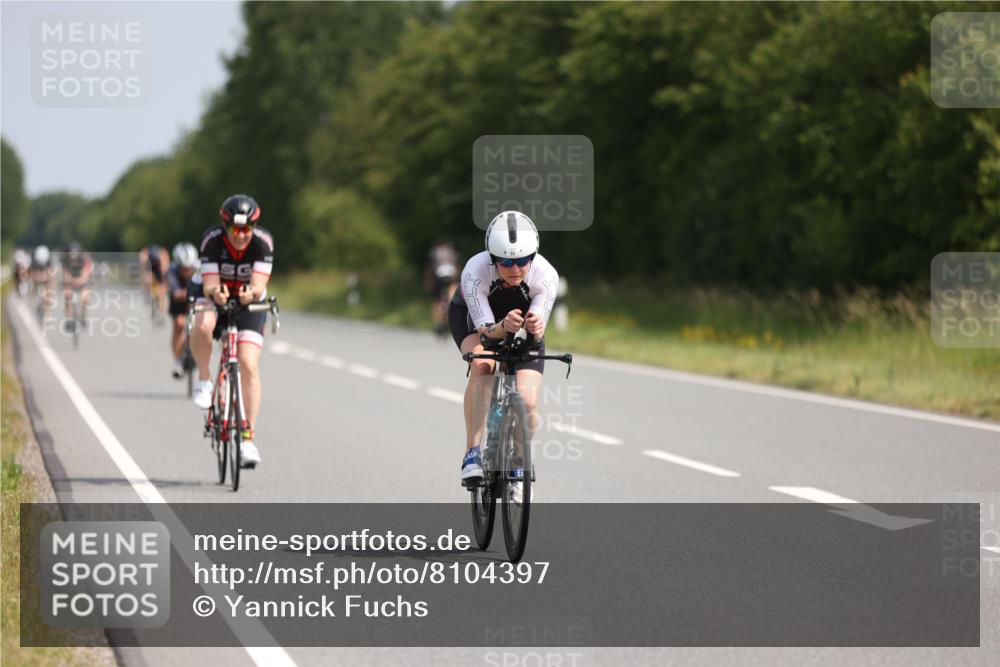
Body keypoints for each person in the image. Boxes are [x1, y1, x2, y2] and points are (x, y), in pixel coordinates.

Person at [448, 211, 558, 486]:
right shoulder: (475, 271)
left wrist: (534, 327)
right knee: (483, 363)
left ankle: (520, 464)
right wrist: (503, 326)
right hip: (474, 320)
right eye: (506, 261)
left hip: (518, 326)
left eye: (523, 260)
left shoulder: (546, 275)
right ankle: (472, 453)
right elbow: (486, 332)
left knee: (528, 401)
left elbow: (537, 330)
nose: (516, 268)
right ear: (492, 258)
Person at [189, 194, 274, 468]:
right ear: (225, 226)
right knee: (203, 324)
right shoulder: (211, 241)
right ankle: (203, 378)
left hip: (247, 299)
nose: (240, 235)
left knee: (248, 365)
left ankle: (247, 438)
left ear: (254, 226)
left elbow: (259, 284)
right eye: (234, 229)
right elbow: (209, 284)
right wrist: (216, 293)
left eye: (246, 229)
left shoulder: (263, 243)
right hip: (216, 294)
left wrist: (252, 293)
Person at [167, 242, 201, 379]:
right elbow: (175, 294)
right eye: (184, 269)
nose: (187, 272)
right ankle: (177, 360)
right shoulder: (171, 271)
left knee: (202, 327)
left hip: (197, 300)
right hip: (179, 301)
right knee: (179, 324)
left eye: (190, 268)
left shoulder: (200, 269)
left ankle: (199, 358)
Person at [425, 239, 460, 338]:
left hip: (438, 279)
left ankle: (438, 323)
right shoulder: (452, 252)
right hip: (451, 278)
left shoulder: (433, 252)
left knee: (437, 301)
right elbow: (457, 266)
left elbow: (429, 268)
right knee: (451, 297)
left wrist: (429, 282)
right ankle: (449, 313)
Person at [61, 242, 93, 326]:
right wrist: (70, 281)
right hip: (70, 280)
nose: (74, 261)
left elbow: (86, 274)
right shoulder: (65, 259)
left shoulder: (85, 258)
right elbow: (65, 274)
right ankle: (68, 318)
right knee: (67, 294)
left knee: (85, 297)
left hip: (82, 279)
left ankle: (83, 316)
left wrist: (80, 281)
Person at [138, 244, 170, 321]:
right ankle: (150, 295)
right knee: (148, 280)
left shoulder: (163, 255)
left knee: (161, 291)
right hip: (150, 266)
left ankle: (161, 311)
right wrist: (145, 282)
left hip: (158, 268)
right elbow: (143, 268)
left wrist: (164, 283)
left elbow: (164, 269)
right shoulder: (145, 254)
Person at [30, 245, 55, 313]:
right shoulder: (34, 261)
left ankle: (49, 299)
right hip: (37, 274)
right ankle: (34, 296)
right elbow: (32, 274)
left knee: (50, 282)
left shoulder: (49, 261)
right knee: (34, 281)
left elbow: (51, 274)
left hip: (46, 275)